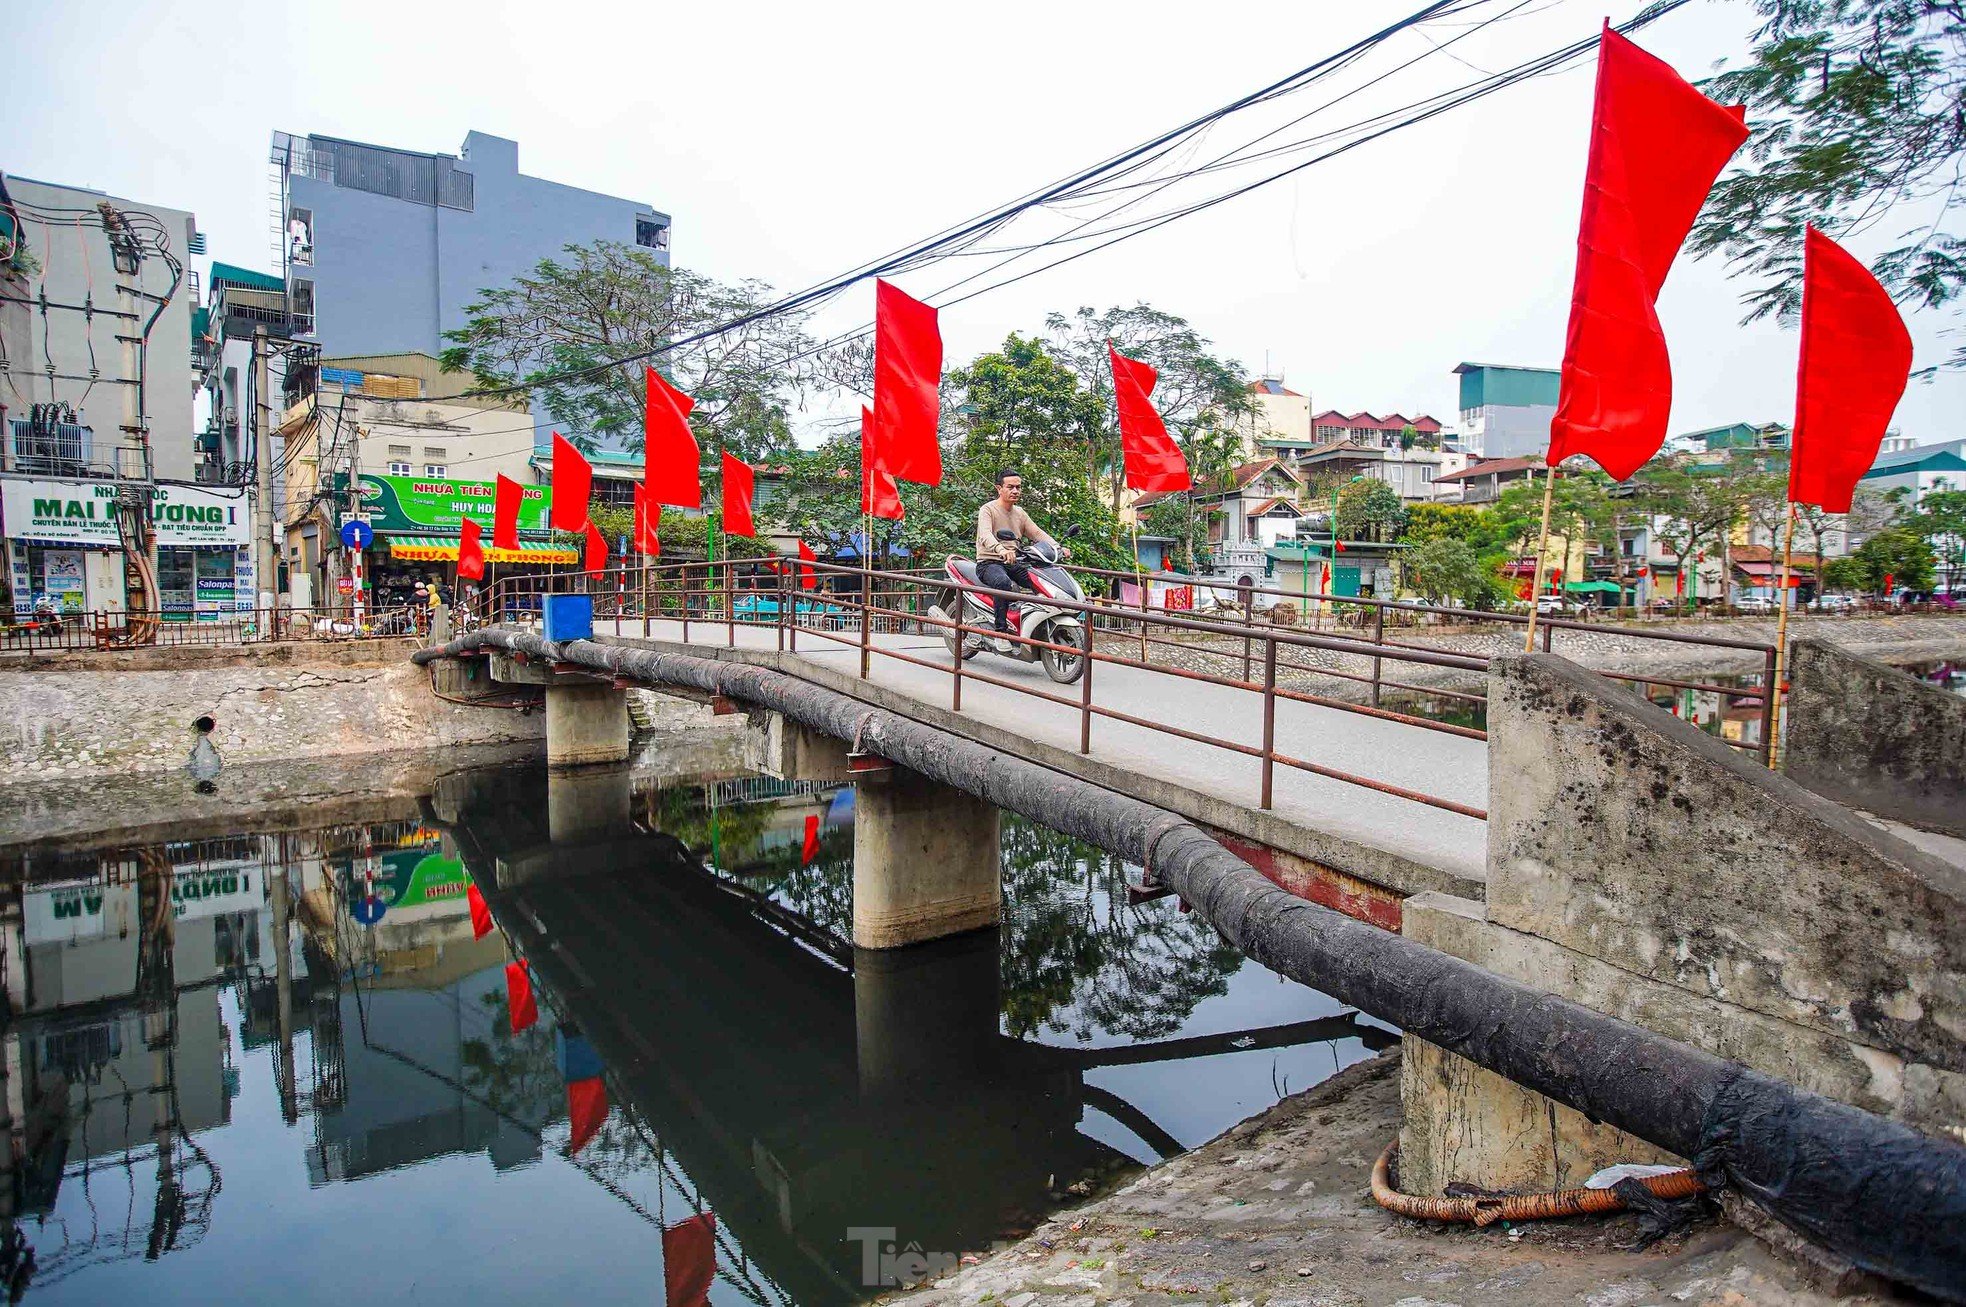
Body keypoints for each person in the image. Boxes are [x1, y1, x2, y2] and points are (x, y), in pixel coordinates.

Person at [973, 469, 1067, 645]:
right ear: (999, 488)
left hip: (1014, 561)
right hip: (989, 562)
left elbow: (1037, 533)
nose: (1015, 491)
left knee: (1039, 580)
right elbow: (985, 535)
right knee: (1002, 583)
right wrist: (1000, 549)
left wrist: (1058, 547)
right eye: (1010, 487)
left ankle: (1034, 623)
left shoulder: (1020, 513)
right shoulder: (988, 509)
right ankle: (1000, 633)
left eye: (1018, 487)